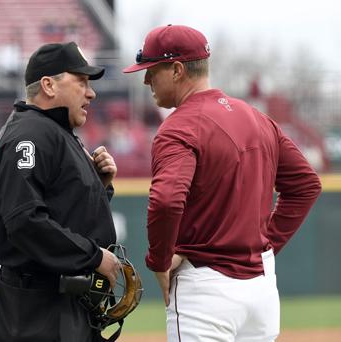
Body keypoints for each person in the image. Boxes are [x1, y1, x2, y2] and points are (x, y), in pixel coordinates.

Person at [123, 24, 322, 341]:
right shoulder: (256, 117)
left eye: (151, 69)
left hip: (205, 290)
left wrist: (159, 262)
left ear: (176, 70)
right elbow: (306, 185)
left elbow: (166, 201)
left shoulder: (179, 127)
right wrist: (265, 246)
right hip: (261, 292)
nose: (146, 79)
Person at [0, 41, 121, 342]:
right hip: (35, 311)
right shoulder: (30, 134)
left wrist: (99, 187)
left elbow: (62, 210)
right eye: (81, 81)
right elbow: (25, 221)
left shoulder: (56, 132)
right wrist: (93, 257)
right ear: (48, 85)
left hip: (57, 305)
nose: (91, 93)